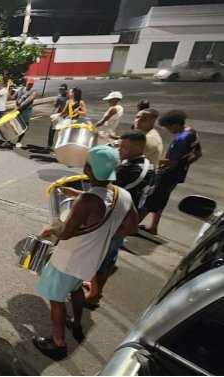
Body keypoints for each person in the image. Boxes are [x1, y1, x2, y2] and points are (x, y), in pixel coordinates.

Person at [33, 145, 138, 360]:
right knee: (76, 288)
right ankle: (76, 322)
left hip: (68, 259)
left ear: (88, 169)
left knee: (56, 298)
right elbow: (131, 227)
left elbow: (65, 233)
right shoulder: (123, 195)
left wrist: (50, 230)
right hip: (92, 260)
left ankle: (58, 343)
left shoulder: (87, 201)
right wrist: (105, 233)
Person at [61, 131, 155, 309]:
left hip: (114, 221)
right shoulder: (148, 166)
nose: (120, 150)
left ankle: (93, 296)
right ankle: (95, 288)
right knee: (108, 258)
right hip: (124, 218)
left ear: (139, 146)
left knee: (100, 259)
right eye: (120, 146)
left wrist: (76, 194)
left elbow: (104, 196)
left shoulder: (129, 170)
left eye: (124, 147)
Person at [140, 110, 202, 236]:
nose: (168, 131)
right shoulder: (192, 133)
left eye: (169, 127)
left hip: (167, 174)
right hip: (178, 175)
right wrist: (185, 165)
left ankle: (131, 226)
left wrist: (153, 160)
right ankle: (153, 226)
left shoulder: (181, 139)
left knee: (151, 199)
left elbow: (171, 162)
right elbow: (198, 154)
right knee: (163, 198)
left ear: (175, 124)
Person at [9, 77, 37, 148]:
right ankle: (8, 140)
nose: (30, 85)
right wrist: (7, 88)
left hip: (25, 113)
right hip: (18, 111)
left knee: (23, 128)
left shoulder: (33, 92)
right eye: (29, 83)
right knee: (13, 126)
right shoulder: (20, 90)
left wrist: (16, 109)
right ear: (26, 83)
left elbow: (26, 102)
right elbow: (12, 98)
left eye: (31, 84)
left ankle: (18, 142)